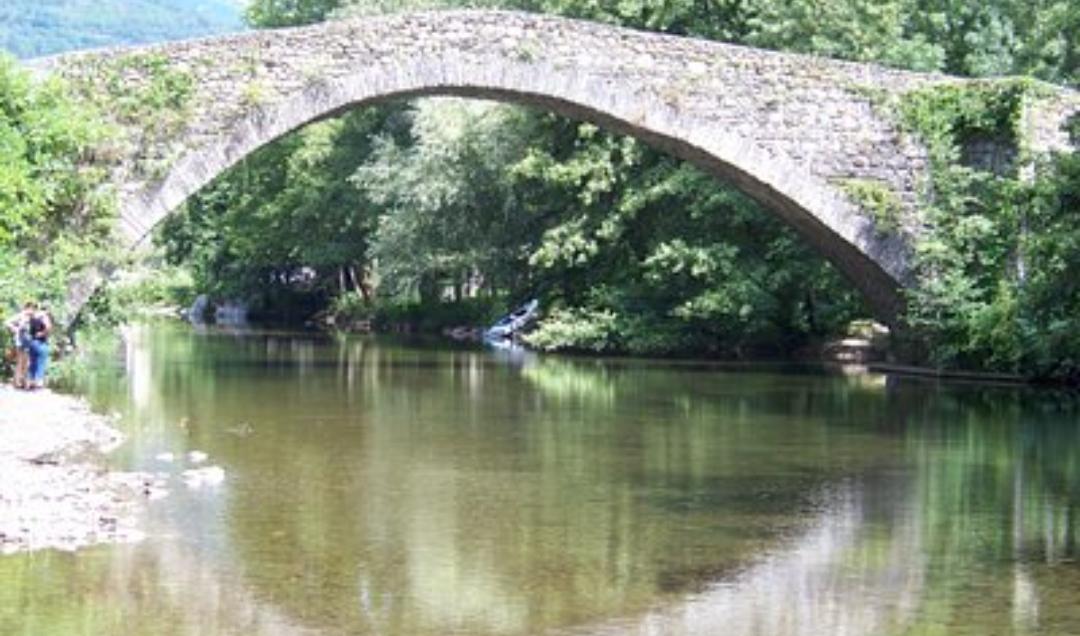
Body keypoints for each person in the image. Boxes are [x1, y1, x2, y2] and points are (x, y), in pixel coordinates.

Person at [5, 302, 33, 389]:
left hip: (27, 342)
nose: (31, 310)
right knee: (20, 362)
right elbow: (7, 322)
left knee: (26, 363)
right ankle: (17, 383)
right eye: (30, 308)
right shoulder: (20, 316)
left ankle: (23, 382)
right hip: (20, 342)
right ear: (26, 308)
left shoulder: (30, 317)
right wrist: (15, 329)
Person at [26, 304, 52, 390]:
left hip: (32, 342)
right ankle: (39, 383)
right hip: (41, 342)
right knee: (41, 362)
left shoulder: (32, 317)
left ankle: (30, 382)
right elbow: (48, 327)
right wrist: (43, 333)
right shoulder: (44, 317)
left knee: (32, 362)